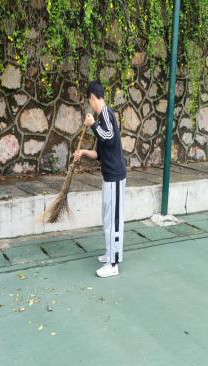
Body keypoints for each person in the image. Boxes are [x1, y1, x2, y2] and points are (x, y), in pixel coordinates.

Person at [74, 80, 126, 278]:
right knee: (108, 219)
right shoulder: (102, 119)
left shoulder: (105, 114)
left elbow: (109, 137)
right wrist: (83, 152)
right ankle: (110, 254)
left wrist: (92, 124)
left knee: (113, 221)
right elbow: (99, 153)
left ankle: (113, 264)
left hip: (115, 176)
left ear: (93, 98)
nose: (90, 104)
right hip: (109, 176)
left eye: (89, 100)